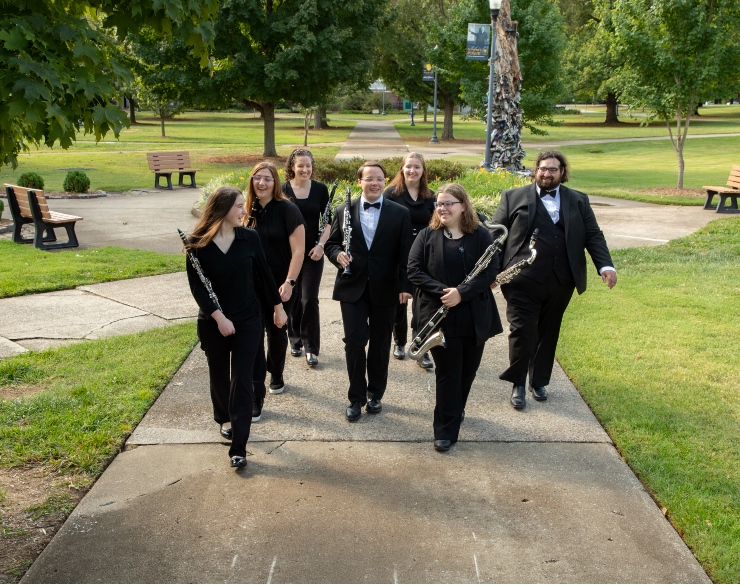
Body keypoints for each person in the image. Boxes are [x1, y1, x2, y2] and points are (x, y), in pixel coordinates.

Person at [491, 150, 617, 410]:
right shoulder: (512, 197)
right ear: (535, 170)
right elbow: (496, 237)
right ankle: (517, 383)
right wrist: (492, 273)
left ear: (562, 173)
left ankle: (538, 380)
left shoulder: (578, 201)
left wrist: (605, 265)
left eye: (553, 169)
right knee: (522, 331)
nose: (546, 173)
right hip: (521, 279)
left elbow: (593, 235)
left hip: (562, 279)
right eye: (542, 168)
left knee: (548, 331)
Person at [185, 186, 287, 468]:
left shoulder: (249, 238)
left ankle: (238, 447)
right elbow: (198, 288)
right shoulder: (197, 243)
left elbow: (266, 276)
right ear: (222, 209)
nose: (245, 211)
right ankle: (224, 418)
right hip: (212, 320)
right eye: (239, 206)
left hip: (248, 318)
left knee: (242, 379)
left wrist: (278, 308)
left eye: (243, 205)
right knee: (219, 375)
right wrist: (219, 317)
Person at [408, 183, 503, 452]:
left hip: (474, 314)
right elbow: (414, 271)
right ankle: (444, 430)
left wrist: (462, 293)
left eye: (449, 203)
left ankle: (456, 409)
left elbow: (490, 271)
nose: (443, 208)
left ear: (463, 206)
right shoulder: (427, 235)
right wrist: (445, 292)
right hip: (440, 316)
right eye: (439, 203)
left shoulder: (481, 237)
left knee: (467, 372)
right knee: (448, 373)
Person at [325, 161, 412, 422]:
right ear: (359, 182)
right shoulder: (343, 210)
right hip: (352, 287)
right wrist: (337, 254)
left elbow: (407, 253)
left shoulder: (400, 213)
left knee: (381, 343)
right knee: (354, 341)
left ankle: (375, 393)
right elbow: (331, 243)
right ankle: (355, 396)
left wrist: (405, 287)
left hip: (386, 288)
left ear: (386, 182)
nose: (374, 183)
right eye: (368, 178)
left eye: (379, 179)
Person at [244, 162, 305, 421]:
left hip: (282, 283)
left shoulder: (288, 210)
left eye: (267, 179)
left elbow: (299, 251)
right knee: (255, 338)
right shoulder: (246, 211)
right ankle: (257, 395)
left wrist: (290, 283)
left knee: (277, 332)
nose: (262, 183)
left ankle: (276, 373)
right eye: (257, 178)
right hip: (251, 286)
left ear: (276, 182)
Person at [383, 152, 436, 369]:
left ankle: (420, 346)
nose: (412, 171)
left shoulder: (430, 197)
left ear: (423, 171)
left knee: (422, 305)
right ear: (402, 169)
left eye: (417, 167)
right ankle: (399, 342)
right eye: (408, 167)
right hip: (398, 253)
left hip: (425, 254)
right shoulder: (391, 194)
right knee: (399, 301)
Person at [282, 148, 330, 368]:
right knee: (291, 298)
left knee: (309, 298)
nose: (305, 169)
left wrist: (321, 245)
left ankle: (311, 347)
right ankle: (295, 339)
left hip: (312, 253)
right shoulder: (282, 189)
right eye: (300, 165)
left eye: (308, 165)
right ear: (292, 166)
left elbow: (328, 221)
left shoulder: (320, 189)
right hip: (288, 254)